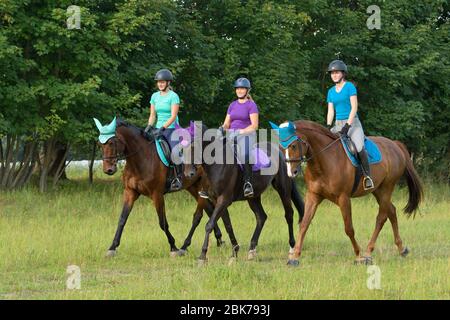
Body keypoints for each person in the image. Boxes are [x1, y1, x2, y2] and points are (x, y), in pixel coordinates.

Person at [326, 59, 374, 190]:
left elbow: (354, 107)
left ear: (343, 73)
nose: (334, 75)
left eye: (336, 72)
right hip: (337, 124)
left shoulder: (349, 87)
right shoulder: (330, 91)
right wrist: (328, 126)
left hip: (353, 124)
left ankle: (367, 176)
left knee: (358, 148)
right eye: (332, 73)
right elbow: (330, 111)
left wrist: (347, 125)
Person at [220, 77, 259, 197]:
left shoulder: (251, 105)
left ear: (247, 90)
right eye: (238, 89)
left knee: (245, 154)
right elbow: (227, 122)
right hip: (232, 135)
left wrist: (240, 132)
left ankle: (248, 183)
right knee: (215, 153)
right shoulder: (232, 105)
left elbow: (254, 125)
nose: (239, 91)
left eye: (242, 89)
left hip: (247, 135)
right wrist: (222, 128)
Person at [144, 69, 182, 191]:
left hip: (171, 128)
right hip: (157, 128)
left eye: (163, 82)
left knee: (174, 152)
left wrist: (163, 128)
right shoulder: (154, 96)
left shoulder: (173, 96)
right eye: (158, 82)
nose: (160, 84)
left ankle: (178, 178)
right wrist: (149, 127)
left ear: (168, 83)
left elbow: (173, 116)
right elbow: (153, 115)